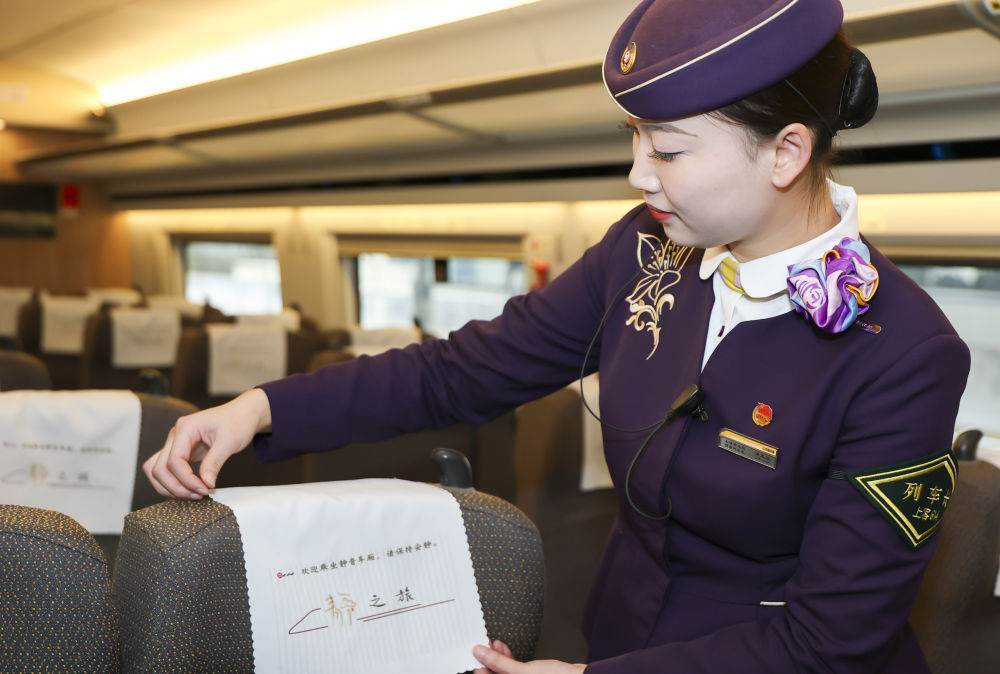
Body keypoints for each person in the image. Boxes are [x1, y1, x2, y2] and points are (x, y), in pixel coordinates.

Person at [144, 0, 970, 671]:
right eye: (634, 138)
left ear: (786, 152)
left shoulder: (904, 353)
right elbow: (461, 371)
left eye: (669, 150)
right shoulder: (642, 252)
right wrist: (263, 409)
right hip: (614, 636)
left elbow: (829, 643)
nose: (639, 175)